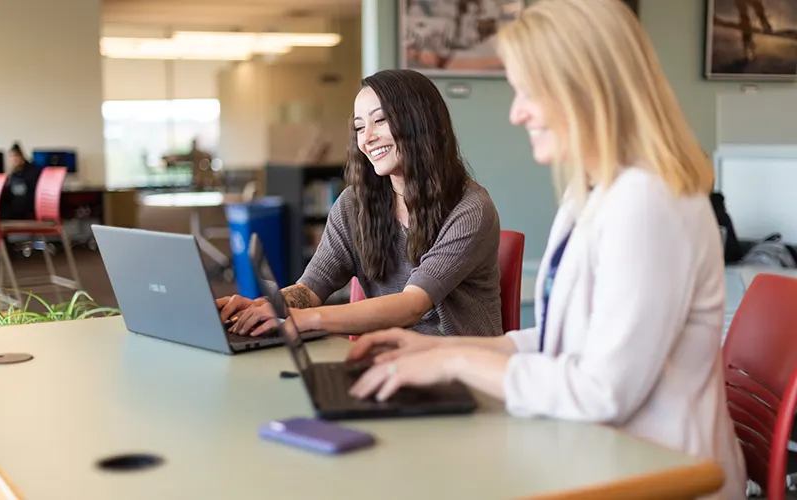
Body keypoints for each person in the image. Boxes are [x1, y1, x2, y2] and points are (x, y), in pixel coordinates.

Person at [345, 1, 747, 498]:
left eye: (530, 92)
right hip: (601, 455)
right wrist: (442, 348)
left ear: (589, 86)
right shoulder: (592, 195)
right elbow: (566, 338)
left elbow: (602, 391)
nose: (517, 112)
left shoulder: (649, 203)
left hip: (661, 474)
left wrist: (455, 364)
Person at [217, 69, 503, 338]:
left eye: (380, 120)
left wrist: (308, 320)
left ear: (420, 122)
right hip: (388, 364)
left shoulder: (470, 209)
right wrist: (264, 306)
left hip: (462, 373)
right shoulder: (354, 204)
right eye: (359, 126)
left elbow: (413, 304)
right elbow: (312, 287)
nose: (367, 137)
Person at [0, 142, 41, 220]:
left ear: (21, 157)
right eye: (11, 157)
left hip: (25, 206)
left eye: (15, 156)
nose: (13, 160)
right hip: (15, 204)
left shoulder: (32, 171)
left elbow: (32, 192)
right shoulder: (14, 173)